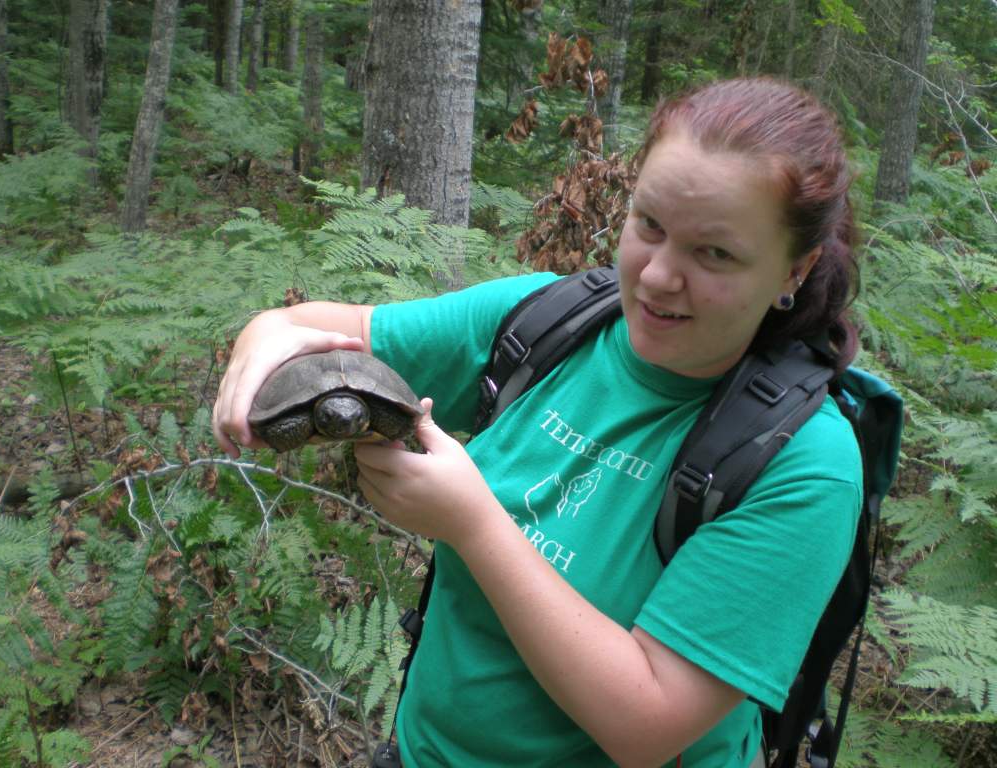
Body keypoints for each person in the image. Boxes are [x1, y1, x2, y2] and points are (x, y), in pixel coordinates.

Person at [213, 77, 863, 768]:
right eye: (649, 225)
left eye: (715, 254)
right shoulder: (546, 324)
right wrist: (262, 337)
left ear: (796, 267)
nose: (656, 277)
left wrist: (472, 522)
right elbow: (305, 328)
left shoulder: (803, 462)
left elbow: (645, 724)